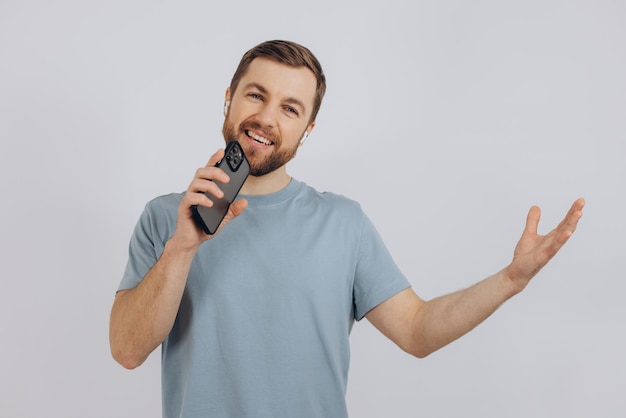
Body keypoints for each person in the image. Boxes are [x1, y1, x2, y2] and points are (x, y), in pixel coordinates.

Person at [109, 40, 585, 418]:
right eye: (257, 94)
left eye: (290, 108)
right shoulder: (166, 218)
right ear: (230, 97)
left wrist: (509, 280)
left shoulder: (343, 222)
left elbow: (417, 331)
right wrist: (183, 247)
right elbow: (126, 352)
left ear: (308, 128)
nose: (267, 118)